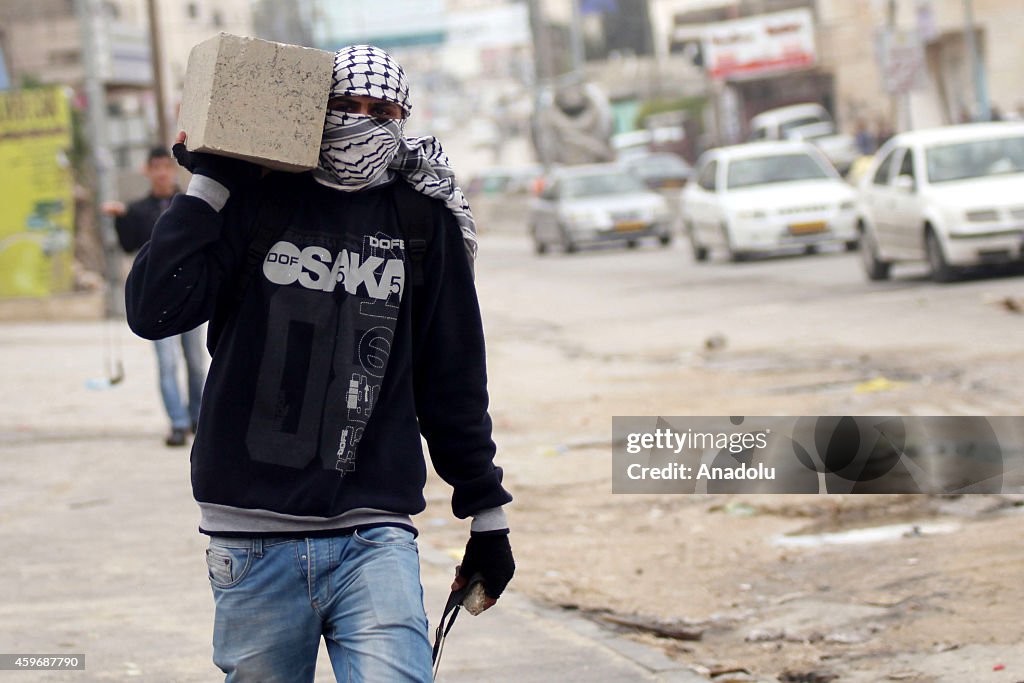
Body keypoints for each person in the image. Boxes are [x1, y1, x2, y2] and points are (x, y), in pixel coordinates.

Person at [124, 45, 514, 682]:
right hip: (250, 538)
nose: (363, 124)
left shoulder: (422, 218)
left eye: (382, 111)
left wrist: (487, 517)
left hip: (374, 532)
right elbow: (153, 310)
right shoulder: (256, 200)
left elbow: (454, 379)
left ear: (403, 117)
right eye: (345, 106)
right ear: (313, 113)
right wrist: (211, 182)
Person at [102, 147, 207, 447]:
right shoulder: (138, 209)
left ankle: (197, 417)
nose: (161, 172)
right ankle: (176, 422)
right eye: (155, 167)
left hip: (189, 292)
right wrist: (120, 219)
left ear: (173, 170)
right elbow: (128, 246)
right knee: (166, 362)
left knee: (195, 360)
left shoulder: (190, 203)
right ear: (147, 170)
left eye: (166, 166)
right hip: (157, 295)